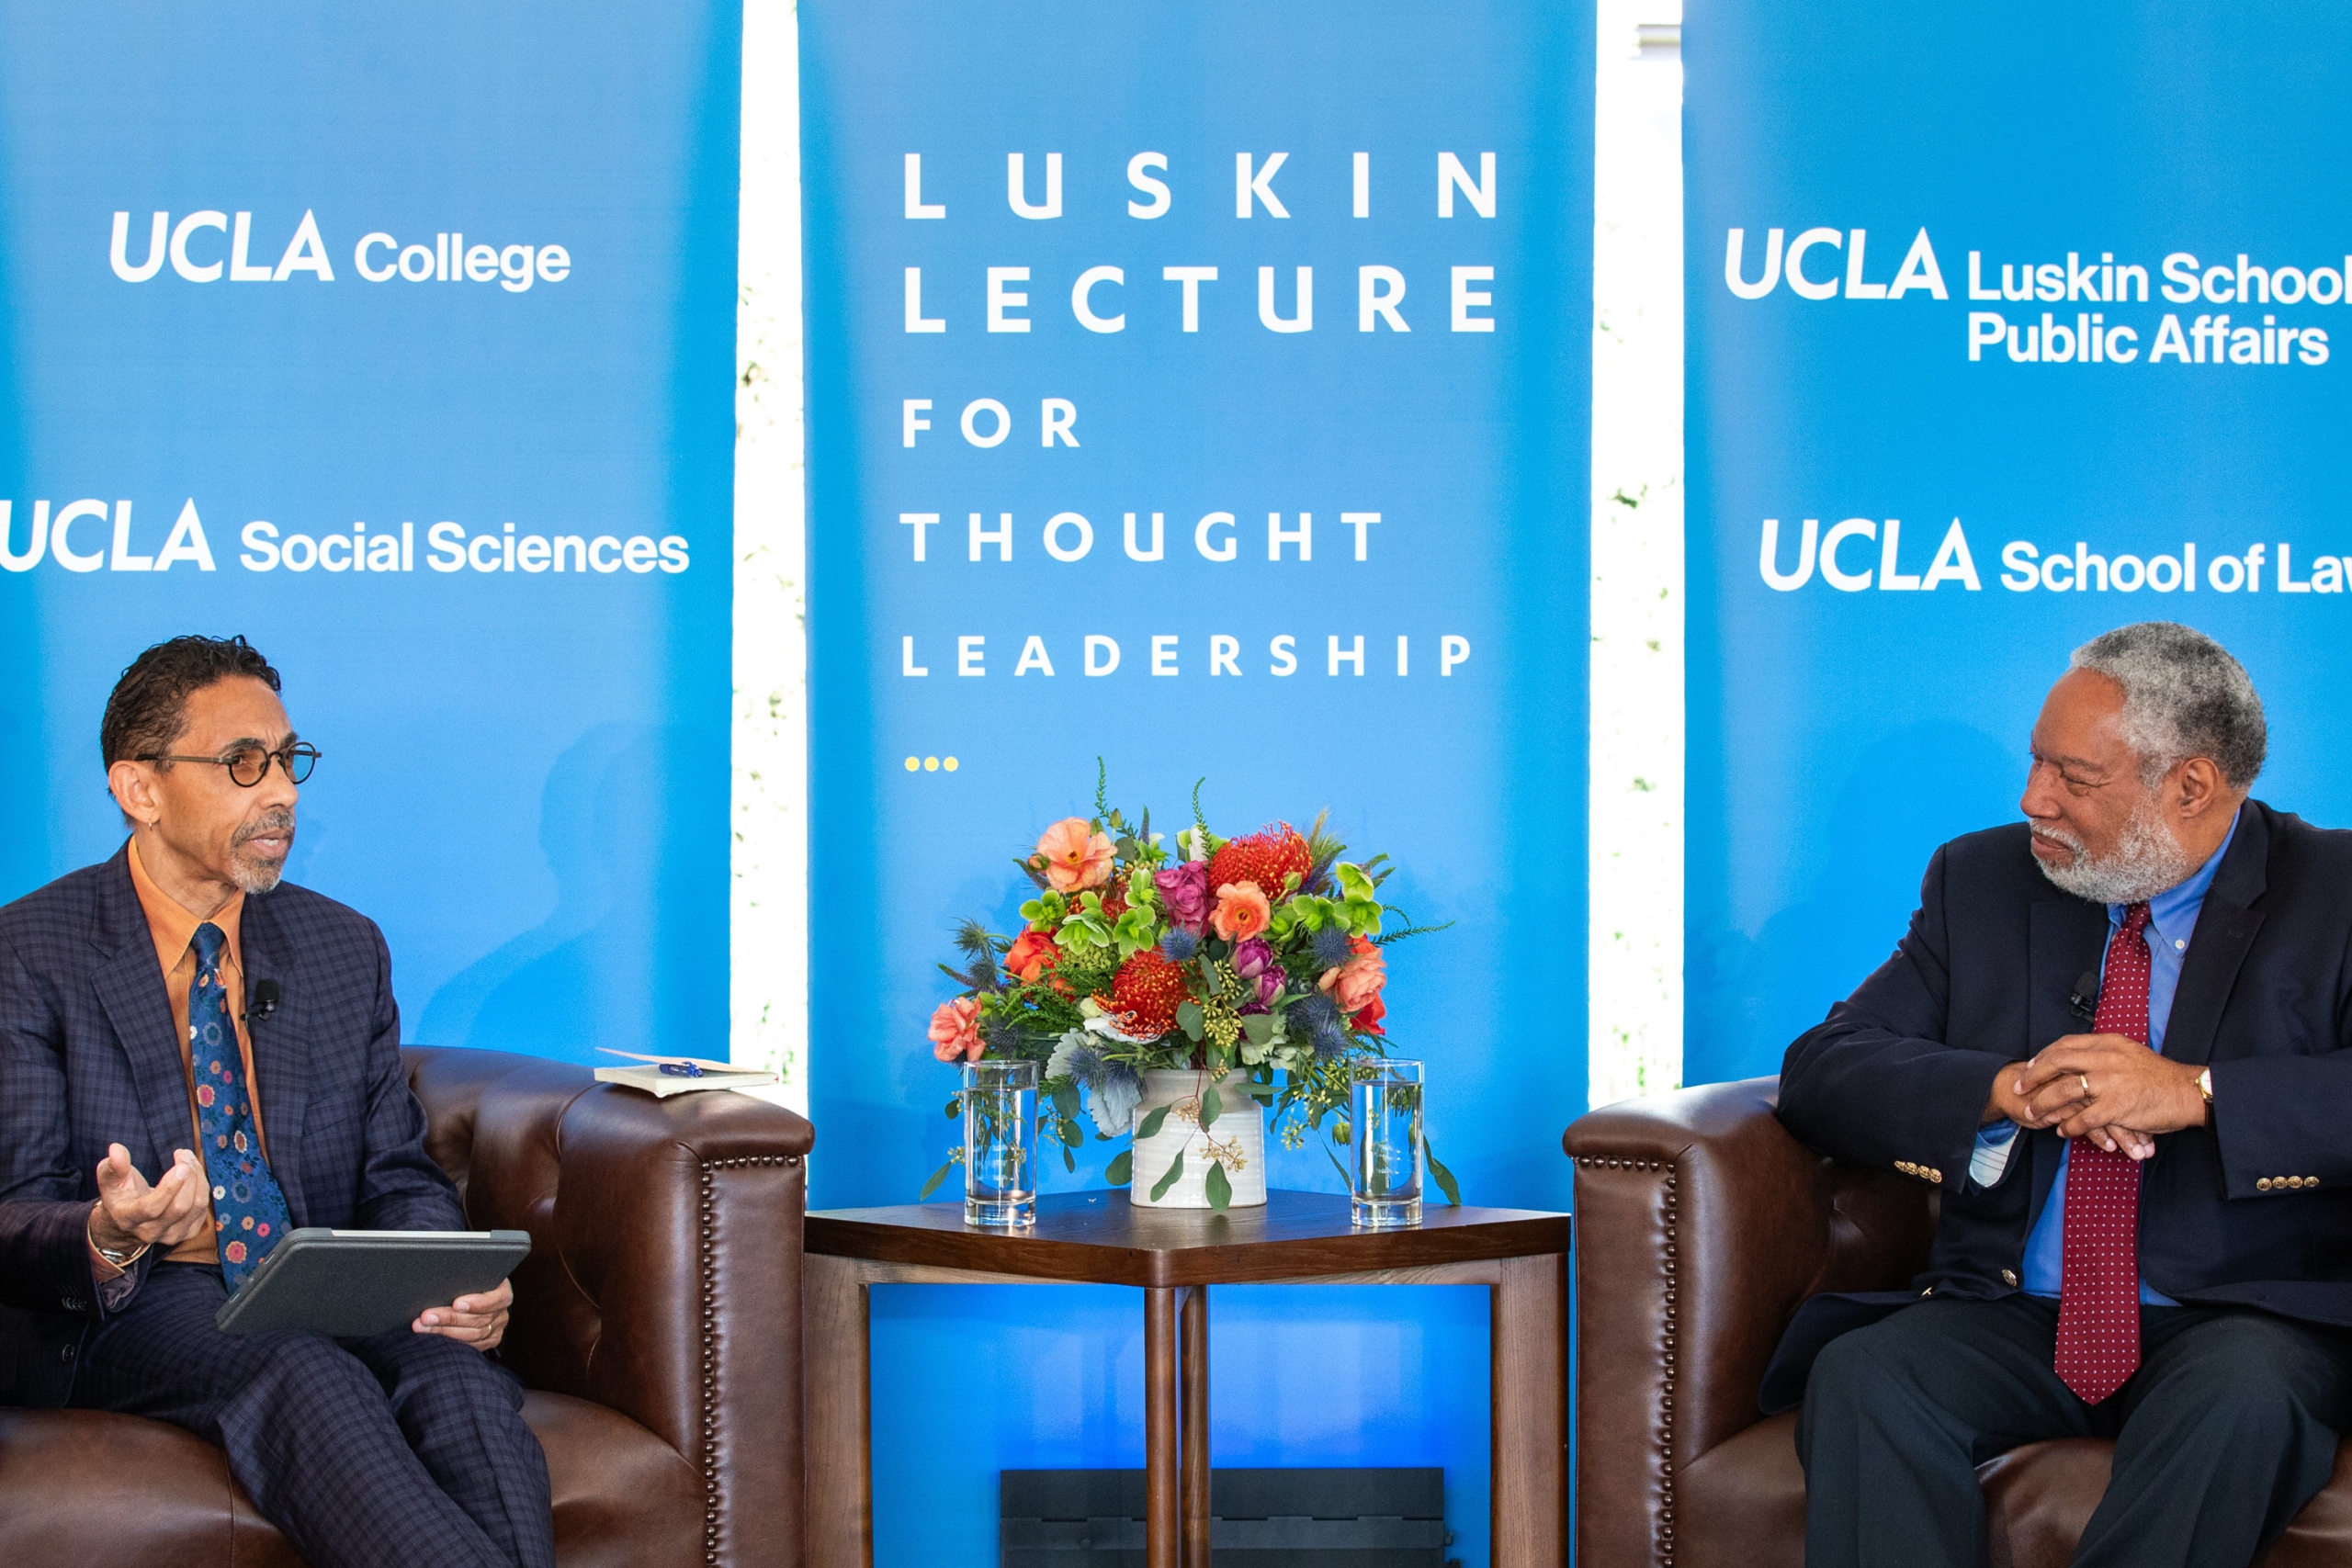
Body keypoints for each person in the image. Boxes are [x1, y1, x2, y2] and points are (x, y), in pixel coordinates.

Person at [1773, 620, 2352, 1568]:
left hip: (2244, 1317)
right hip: (2013, 1308)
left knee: (2238, 1397)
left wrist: (2196, 1092)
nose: (2033, 799)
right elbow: (1825, 1067)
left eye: (2074, 780)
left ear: (2191, 785)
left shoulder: (2333, 890)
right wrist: (2000, 1089)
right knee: (1868, 1375)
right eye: (2036, 763)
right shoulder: (1985, 878)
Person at [0, 635, 553, 1568]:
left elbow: (398, 1172)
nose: (282, 793)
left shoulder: (342, 946)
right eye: (241, 765)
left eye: (287, 760)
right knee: (303, 1371)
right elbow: (17, 1205)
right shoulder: (30, 952)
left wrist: (442, 1278)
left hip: (320, 1284)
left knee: (457, 1381)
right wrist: (111, 1226)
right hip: (132, 1306)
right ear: (140, 790)